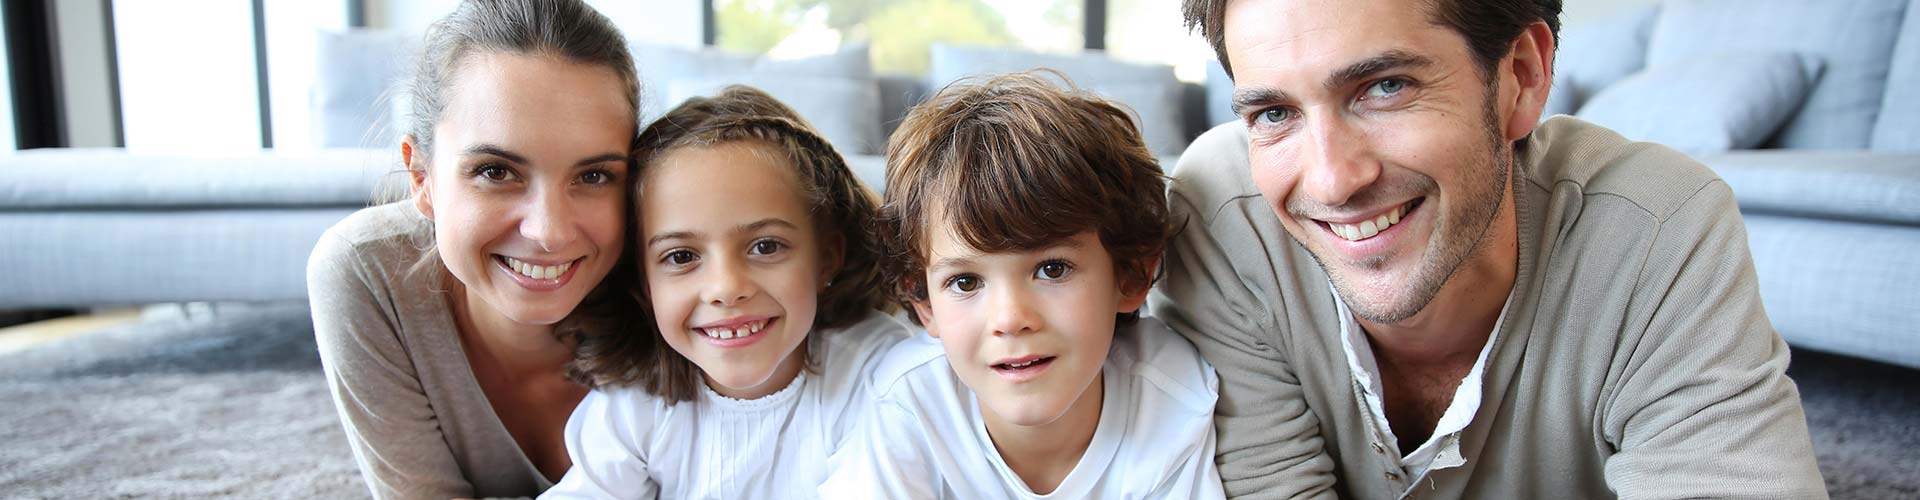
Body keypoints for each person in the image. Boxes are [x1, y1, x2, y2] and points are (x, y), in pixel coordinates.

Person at [1154, 0, 1828, 498]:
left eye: (1386, 87)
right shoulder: (1219, 214)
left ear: (1521, 76)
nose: (1333, 179)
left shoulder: (1658, 227)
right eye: (1275, 114)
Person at [819, 72, 1224, 499]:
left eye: (1052, 270)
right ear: (925, 304)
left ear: (1131, 275)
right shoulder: (910, 400)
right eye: (965, 281)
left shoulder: (1174, 396)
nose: (1011, 320)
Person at [305, 1, 642, 498]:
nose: (548, 232)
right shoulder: (367, 269)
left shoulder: (685, 268)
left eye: (594, 176)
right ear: (421, 177)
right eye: (496, 171)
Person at [540, 86, 911, 499]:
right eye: (681, 256)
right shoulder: (636, 396)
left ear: (825, 258)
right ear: (644, 280)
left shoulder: (876, 375)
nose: (726, 289)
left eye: (765, 247)